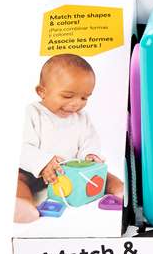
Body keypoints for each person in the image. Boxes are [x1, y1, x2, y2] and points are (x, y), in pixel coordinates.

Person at [14, 54, 123, 223]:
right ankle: (22, 204)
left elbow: (90, 140)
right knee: (19, 180)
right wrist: (43, 163)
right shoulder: (32, 113)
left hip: (70, 172)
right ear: (42, 92)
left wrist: (90, 155)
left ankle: (121, 190)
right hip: (33, 173)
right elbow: (22, 147)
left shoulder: (81, 117)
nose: (77, 103)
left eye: (84, 97)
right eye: (67, 96)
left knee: (104, 175)